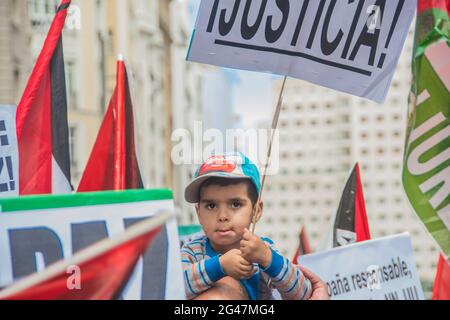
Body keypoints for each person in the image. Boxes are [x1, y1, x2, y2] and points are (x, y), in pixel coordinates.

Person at [181, 152, 313, 300]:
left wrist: (268, 258)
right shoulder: (192, 251)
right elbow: (173, 290)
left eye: (235, 204)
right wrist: (219, 266)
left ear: (256, 211)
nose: (222, 216)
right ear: (198, 213)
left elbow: (303, 294)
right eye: (211, 206)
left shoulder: (262, 249)